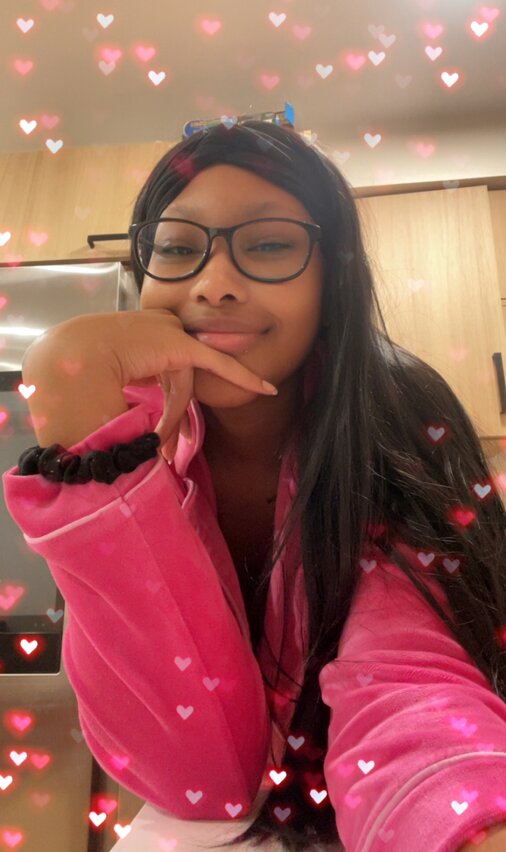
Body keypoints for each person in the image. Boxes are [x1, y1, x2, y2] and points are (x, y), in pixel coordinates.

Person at [3, 120, 506, 852]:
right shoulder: (128, 444)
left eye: (269, 245)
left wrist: (464, 825)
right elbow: (203, 782)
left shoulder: (395, 413)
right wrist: (72, 403)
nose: (213, 284)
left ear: (333, 278)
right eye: (177, 248)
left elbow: (412, 689)